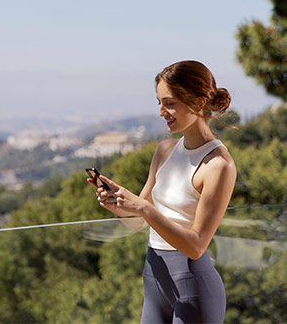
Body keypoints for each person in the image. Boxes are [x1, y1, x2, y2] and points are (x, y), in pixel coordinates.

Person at [88, 60, 236, 323]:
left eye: (169, 103)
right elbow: (136, 223)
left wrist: (144, 208)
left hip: (194, 289)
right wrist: (118, 204)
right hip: (154, 277)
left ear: (199, 103)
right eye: (159, 102)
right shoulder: (165, 151)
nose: (161, 111)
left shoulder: (218, 165)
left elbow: (196, 246)